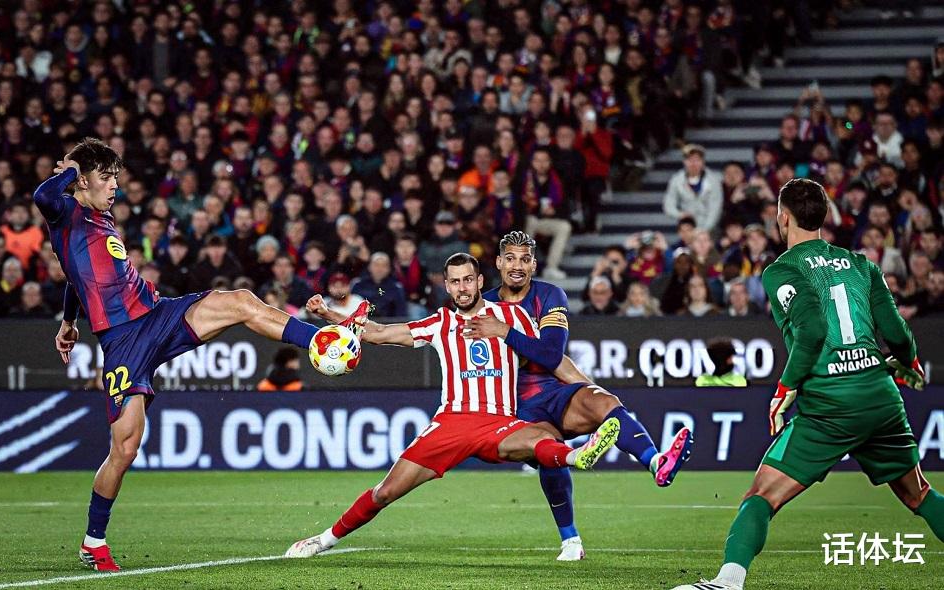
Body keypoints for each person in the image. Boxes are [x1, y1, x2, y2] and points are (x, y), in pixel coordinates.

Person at [33, 138, 323, 573]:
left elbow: (79, 279)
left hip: (157, 314)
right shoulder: (64, 211)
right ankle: (94, 541)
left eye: (116, 178)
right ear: (84, 180)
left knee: (241, 301)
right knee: (125, 449)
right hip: (123, 342)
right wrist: (73, 169)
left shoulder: (103, 217)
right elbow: (42, 195)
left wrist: (69, 321)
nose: (115, 186)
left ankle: (321, 341)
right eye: (106, 178)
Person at [672, 178, 942, 590]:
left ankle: (728, 581)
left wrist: (786, 387)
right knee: (919, 495)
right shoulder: (861, 265)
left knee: (761, 497)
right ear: (824, 216)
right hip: (880, 398)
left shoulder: (782, 270)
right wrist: (910, 362)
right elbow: (897, 332)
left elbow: (813, 329)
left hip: (829, 406)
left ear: (783, 218)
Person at [286, 253, 621, 558]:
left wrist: (585, 388)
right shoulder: (440, 322)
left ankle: (578, 456)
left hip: (498, 421)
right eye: (456, 281)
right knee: (384, 492)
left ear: (480, 281)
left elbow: (548, 355)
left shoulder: (512, 315)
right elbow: (378, 333)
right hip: (450, 423)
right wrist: (327, 314)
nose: (462, 288)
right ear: (447, 286)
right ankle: (324, 539)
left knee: (542, 439)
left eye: (468, 280)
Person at [464, 231, 693, 560]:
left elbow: (551, 353)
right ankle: (570, 541)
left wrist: (504, 331)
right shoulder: (481, 305)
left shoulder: (549, 295)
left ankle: (657, 463)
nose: (517, 266)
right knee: (550, 451)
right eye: (510, 258)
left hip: (555, 391)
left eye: (525, 259)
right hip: (516, 405)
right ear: (499, 262)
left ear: (534, 265)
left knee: (605, 403)